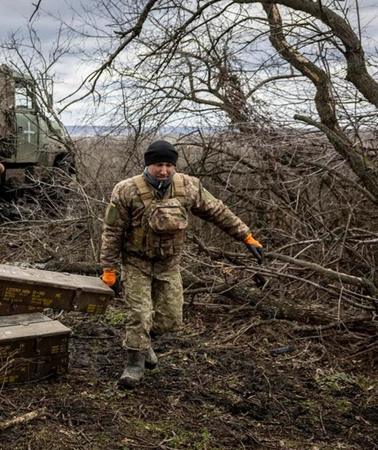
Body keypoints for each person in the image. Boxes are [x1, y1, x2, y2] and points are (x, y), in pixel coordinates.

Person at [99, 140, 263, 389]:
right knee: (140, 315)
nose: (163, 171)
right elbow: (112, 231)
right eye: (158, 165)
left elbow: (217, 211)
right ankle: (134, 363)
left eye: (168, 165)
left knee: (171, 319)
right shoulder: (126, 190)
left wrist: (245, 236)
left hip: (168, 263)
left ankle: (146, 344)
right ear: (148, 165)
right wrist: (109, 269)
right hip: (135, 262)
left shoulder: (188, 186)